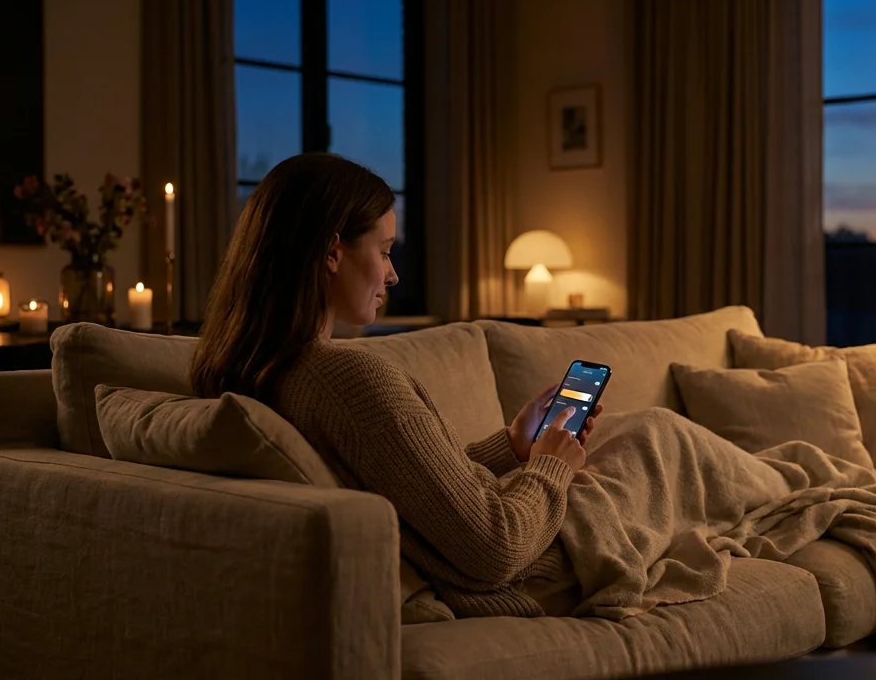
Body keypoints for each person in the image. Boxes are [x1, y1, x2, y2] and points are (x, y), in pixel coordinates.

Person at [190, 153, 600, 617]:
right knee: (653, 434)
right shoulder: (352, 381)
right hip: (535, 561)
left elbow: (411, 483)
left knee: (643, 435)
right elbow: (495, 547)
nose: (393, 273)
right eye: (384, 251)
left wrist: (511, 446)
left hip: (510, 536)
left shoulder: (254, 367)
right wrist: (549, 468)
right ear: (331, 251)